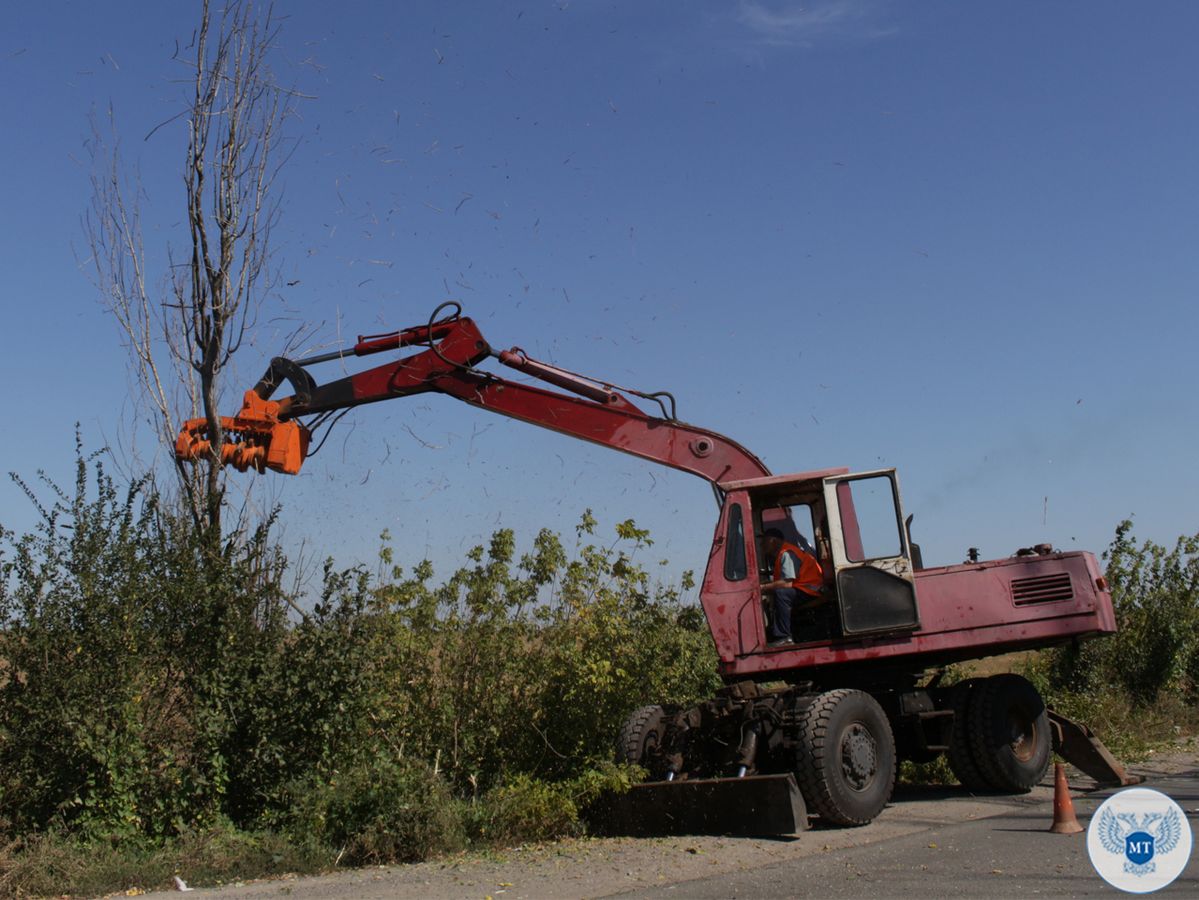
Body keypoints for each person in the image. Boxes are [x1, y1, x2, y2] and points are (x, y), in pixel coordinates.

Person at [760, 527, 826, 644]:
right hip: (804, 589)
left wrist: (763, 588)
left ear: (773, 541)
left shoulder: (787, 554)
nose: (761, 545)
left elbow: (787, 583)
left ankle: (784, 637)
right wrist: (767, 584)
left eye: (764, 541)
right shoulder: (782, 555)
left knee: (782, 594)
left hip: (810, 591)